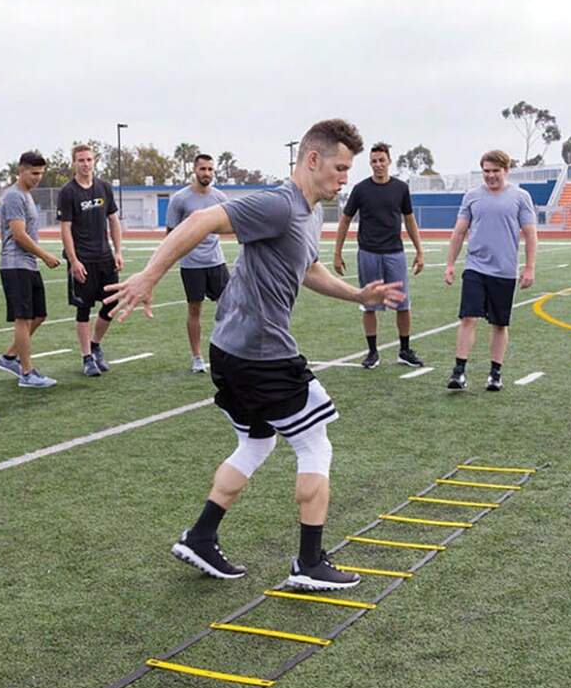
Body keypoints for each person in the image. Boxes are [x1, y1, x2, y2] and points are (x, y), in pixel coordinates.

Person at [106, 119, 405, 592]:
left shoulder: (311, 214)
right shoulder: (279, 204)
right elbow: (201, 221)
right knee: (315, 444)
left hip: (232, 350)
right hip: (260, 354)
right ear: (312, 159)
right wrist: (149, 276)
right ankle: (309, 562)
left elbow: (308, 267)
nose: (345, 178)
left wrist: (357, 295)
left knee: (257, 442)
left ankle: (201, 537)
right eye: (340, 168)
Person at [443, 149, 537, 391]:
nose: (491, 175)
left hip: (505, 270)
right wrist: (450, 264)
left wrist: (529, 268)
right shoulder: (472, 196)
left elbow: (530, 234)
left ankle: (495, 374)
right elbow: (459, 232)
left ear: (506, 171)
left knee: (499, 324)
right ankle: (459, 371)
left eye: (496, 171)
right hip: (475, 267)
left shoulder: (521, 197)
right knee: (468, 317)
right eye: (486, 171)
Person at [333, 141, 425, 369]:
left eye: (382, 160)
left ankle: (404, 351)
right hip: (368, 253)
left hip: (395, 253)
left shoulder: (400, 188)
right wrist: (337, 252)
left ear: (389, 161)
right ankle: (372, 352)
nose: (378, 164)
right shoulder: (361, 189)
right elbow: (345, 220)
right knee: (369, 303)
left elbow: (409, 220)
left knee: (402, 304)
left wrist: (419, 251)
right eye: (374, 161)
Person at [0, 151, 61, 388]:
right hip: (15, 264)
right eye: (34, 173)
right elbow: (19, 235)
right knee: (23, 319)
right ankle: (27, 373)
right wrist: (45, 256)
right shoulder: (14, 196)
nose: (38, 178)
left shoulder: (26, 195)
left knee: (39, 315)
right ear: (21, 171)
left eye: (41, 173)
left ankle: (9, 357)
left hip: (28, 265)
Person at [57, 145, 124, 377]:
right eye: (81, 160)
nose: (86, 164)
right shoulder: (68, 192)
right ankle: (86, 357)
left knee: (112, 304)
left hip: (105, 258)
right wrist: (74, 261)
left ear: (94, 161)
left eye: (89, 159)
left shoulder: (104, 187)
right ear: (74, 163)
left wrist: (118, 251)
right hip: (82, 260)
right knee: (83, 309)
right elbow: (65, 229)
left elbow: (113, 220)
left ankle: (95, 345)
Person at [165, 153, 230, 373]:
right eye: (203, 169)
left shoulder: (220, 197)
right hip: (191, 265)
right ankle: (197, 357)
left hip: (216, 262)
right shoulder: (180, 199)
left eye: (210, 169)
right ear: (195, 170)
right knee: (195, 310)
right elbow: (171, 234)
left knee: (229, 306)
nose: (207, 173)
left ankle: (228, 351)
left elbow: (232, 224)